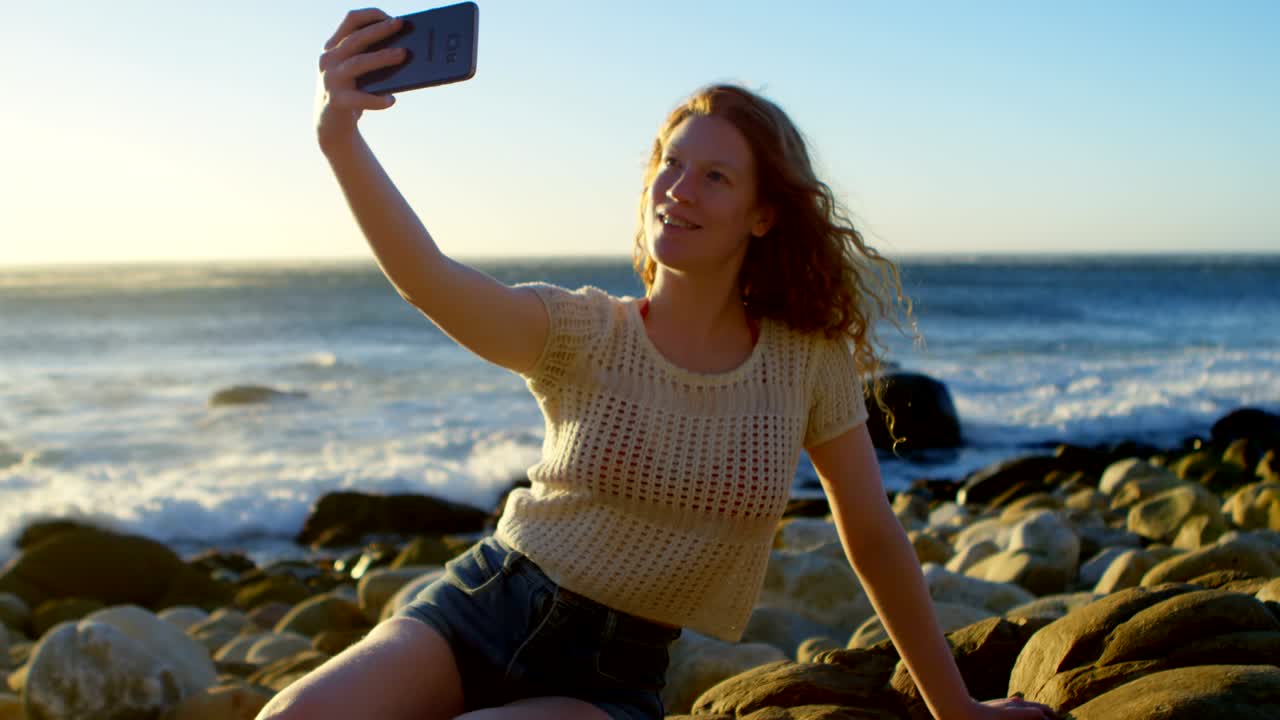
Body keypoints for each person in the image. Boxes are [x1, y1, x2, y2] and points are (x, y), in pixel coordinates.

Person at [257, 8, 1064, 720]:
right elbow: (429, 278)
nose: (680, 189)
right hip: (485, 605)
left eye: (715, 176)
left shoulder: (804, 364)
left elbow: (873, 534)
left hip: (609, 678)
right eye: (671, 165)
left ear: (762, 215)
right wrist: (340, 139)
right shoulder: (583, 331)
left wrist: (954, 707)